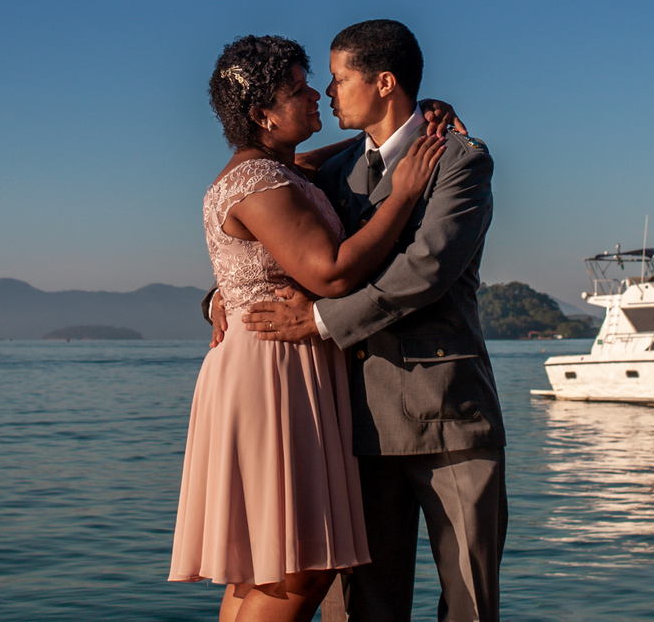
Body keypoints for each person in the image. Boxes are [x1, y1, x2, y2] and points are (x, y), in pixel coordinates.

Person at [231, 20, 506, 622]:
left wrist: (324, 321)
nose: (327, 93)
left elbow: (427, 269)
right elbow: (263, 231)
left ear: (384, 82)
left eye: (337, 79)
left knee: (469, 608)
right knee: (363, 612)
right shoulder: (333, 173)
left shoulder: (461, 160)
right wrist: (222, 302)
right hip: (353, 427)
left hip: (449, 419)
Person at [169, 34, 447, 622]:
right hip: (274, 370)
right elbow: (333, 273)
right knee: (299, 566)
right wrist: (404, 192)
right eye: (298, 89)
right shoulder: (261, 184)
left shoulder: (272, 171)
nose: (317, 92)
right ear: (261, 113)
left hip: (279, 366)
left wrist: (402, 127)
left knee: (269, 564)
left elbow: (310, 170)